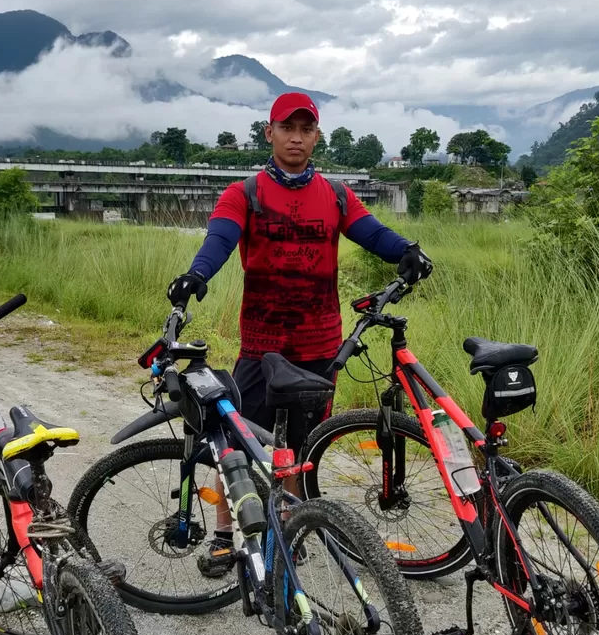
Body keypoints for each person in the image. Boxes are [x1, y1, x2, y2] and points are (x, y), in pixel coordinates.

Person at [166, 92, 433, 577]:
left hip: (319, 343)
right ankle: (229, 537)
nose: (296, 136)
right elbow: (220, 239)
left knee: (302, 448)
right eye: (286, 127)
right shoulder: (244, 193)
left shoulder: (334, 195)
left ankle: (288, 529)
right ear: (268, 133)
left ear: (316, 135)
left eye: (305, 128)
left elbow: (370, 232)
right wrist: (196, 275)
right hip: (263, 343)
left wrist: (406, 251)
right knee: (240, 440)